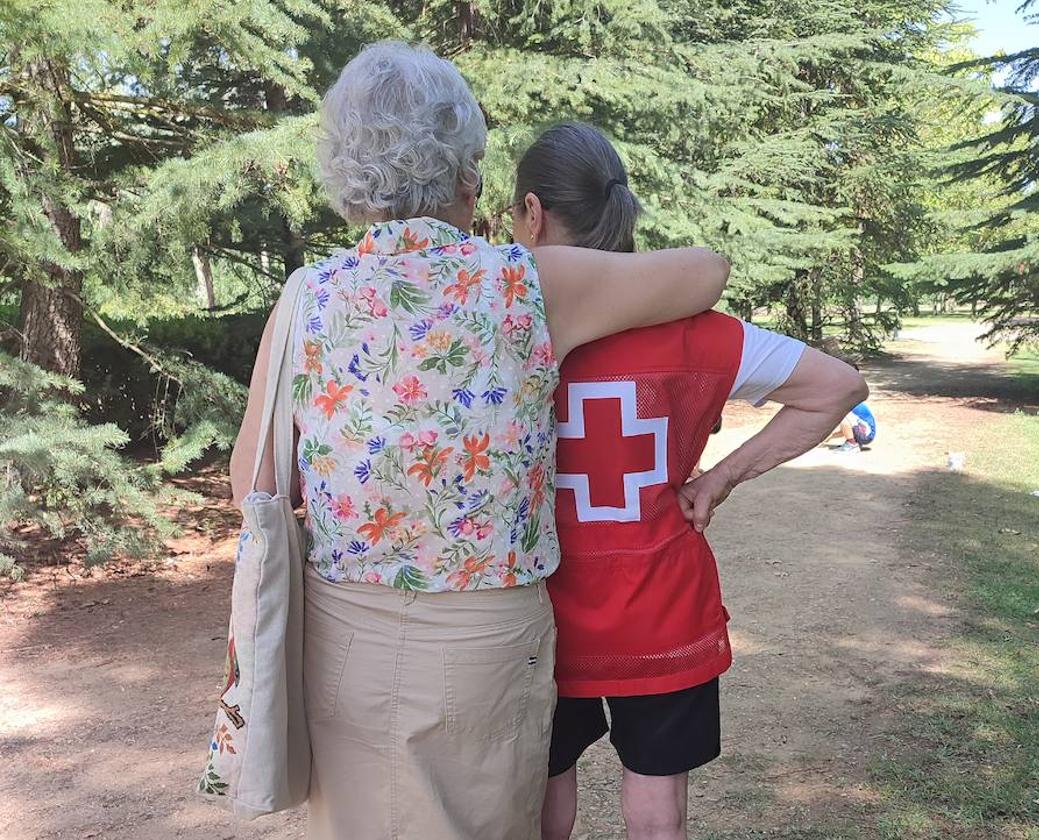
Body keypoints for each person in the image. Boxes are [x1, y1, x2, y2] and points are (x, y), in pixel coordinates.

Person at [227, 45, 731, 840]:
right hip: (486, 643)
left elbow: (248, 482)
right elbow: (707, 271)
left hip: (341, 636)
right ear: (469, 172)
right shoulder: (528, 283)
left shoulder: (305, 298)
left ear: (348, 175)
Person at [509, 123, 868, 840]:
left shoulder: (504, 323)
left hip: (538, 610)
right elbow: (838, 387)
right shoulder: (701, 332)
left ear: (533, 212)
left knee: (539, 784)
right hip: (662, 607)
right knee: (656, 798)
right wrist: (722, 479)